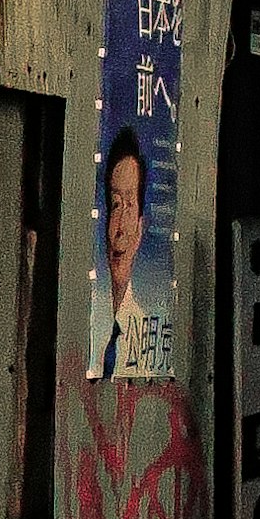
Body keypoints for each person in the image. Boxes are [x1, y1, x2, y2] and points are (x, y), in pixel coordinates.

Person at [96, 126, 150, 378]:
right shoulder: (92, 321)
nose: (120, 229)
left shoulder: (145, 330)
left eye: (129, 204)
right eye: (116, 204)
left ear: (140, 226)